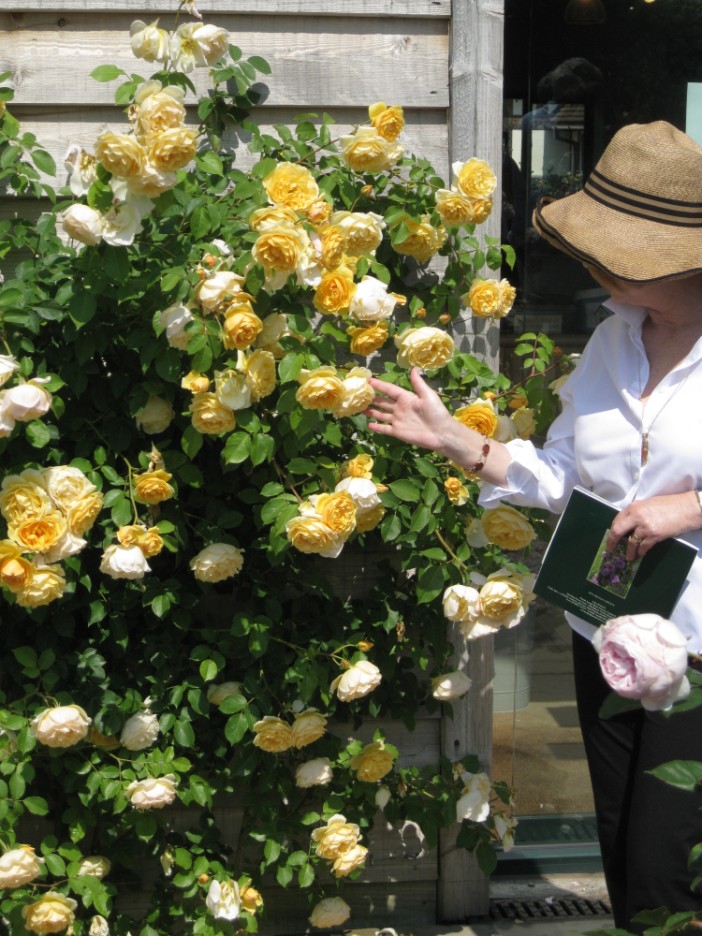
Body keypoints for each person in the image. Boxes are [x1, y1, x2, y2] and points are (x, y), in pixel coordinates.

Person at [366, 120, 702, 933]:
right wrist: (461, 443)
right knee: (626, 853)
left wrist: (690, 508)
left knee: (673, 877)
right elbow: (562, 476)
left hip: (699, 649)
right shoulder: (611, 342)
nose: (587, 263)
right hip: (612, 637)